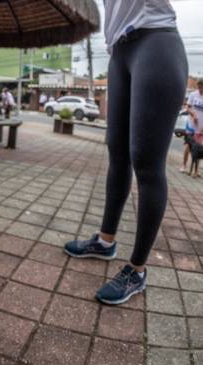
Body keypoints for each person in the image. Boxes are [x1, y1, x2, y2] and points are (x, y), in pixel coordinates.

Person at [64, 1, 188, 305]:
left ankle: (137, 269)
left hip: (156, 41)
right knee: (117, 154)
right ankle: (105, 242)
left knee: (146, 163)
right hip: (119, 52)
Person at [186, 79, 203, 177]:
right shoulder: (193, 94)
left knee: (199, 150)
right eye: (199, 87)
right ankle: (184, 166)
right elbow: (187, 107)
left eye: (202, 88)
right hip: (192, 125)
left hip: (201, 128)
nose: (200, 90)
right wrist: (193, 114)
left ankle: (195, 171)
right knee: (189, 146)